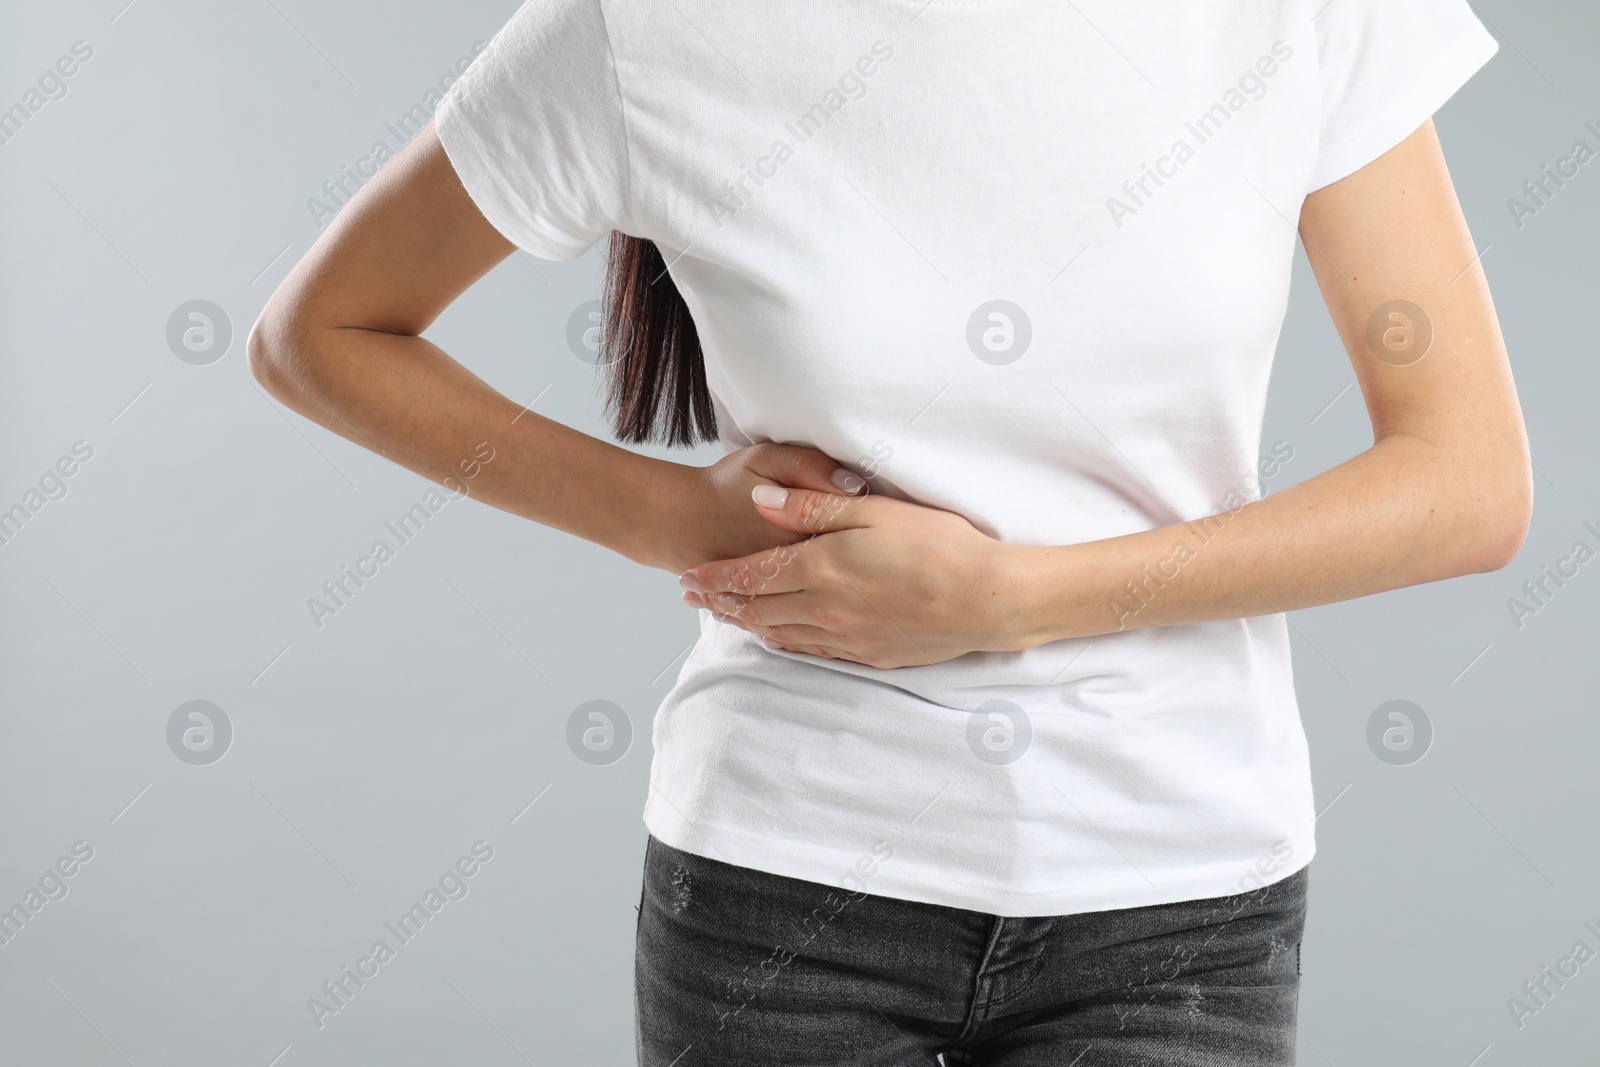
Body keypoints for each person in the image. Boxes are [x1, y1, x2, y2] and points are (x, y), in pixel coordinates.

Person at [249, 0, 1531, 1062]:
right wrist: (674, 515)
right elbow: (317, 335)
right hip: (785, 903)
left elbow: (1466, 479)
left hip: (1174, 903)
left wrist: (1017, 597)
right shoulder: (643, 26)